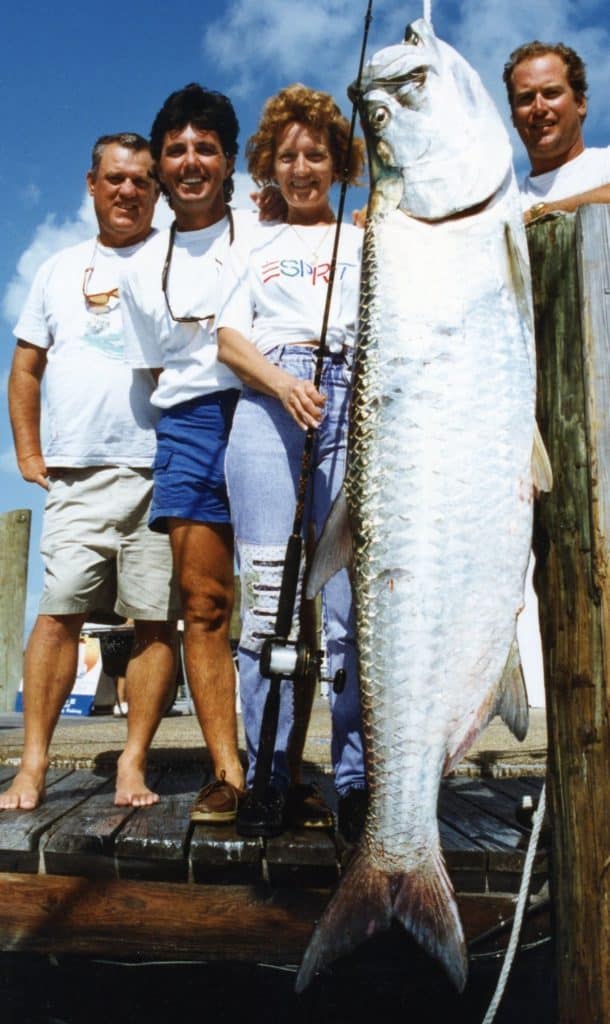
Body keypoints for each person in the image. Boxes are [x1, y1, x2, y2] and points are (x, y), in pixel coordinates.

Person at [1, 133, 179, 812]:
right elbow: (25, 367)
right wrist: (26, 451)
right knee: (57, 616)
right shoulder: (57, 269)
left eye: (140, 180)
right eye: (115, 178)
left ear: (157, 189)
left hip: (162, 468)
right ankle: (33, 763)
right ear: (91, 183)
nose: (127, 190)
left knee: (155, 622)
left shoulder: (178, 258)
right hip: (76, 473)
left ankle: (133, 762)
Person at [216, 83, 367, 840]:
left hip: (353, 407)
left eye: (316, 154)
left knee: (348, 613)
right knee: (270, 606)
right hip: (270, 406)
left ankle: (356, 781)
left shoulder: (370, 238)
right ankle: (269, 777)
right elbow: (227, 339)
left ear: (339, 161)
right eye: (287, 156)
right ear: (268, 167)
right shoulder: (253, 241)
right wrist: (281, 383)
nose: (302, 168)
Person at [120, 85, 260, 824]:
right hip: (189, 426)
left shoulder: (268, 228)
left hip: (270, 414)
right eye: (176, 148)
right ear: (160, 164)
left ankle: (288, 767)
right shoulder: (141, 268)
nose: (191, 160)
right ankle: (227, 770)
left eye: (206, 146)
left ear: (231, 159)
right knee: (204, 604)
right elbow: (152, 372)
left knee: (287, 601)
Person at [503, 41, 610, 223]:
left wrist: (544, 212)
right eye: (526, 98)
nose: (539, 108)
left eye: (551, 93)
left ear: (580, 103)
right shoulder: (506, 209)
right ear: (513, 116)